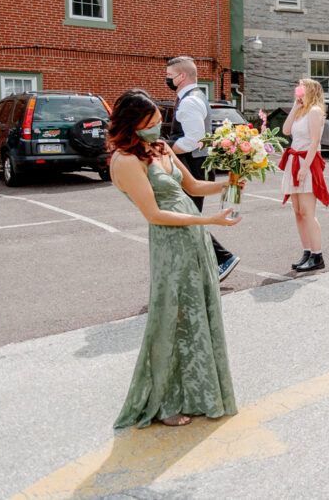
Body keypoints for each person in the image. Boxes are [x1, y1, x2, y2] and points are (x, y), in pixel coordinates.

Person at [107, 89, 239, 428]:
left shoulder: (161, 149)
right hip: (170, 244)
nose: (157, 128)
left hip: (193, 239)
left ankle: (199, 393)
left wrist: (231, 182)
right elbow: (154, 214)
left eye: (157, 122)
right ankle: (164, 402)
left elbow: (193, 187)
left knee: (199, 313)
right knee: (172, 320)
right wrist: (208, 221)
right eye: (149, 123)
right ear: (131, 125)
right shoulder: (125, 162)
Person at [165, 56, 239, 282]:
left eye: (169, 76)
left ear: (182, 76)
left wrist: (167, 150)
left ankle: (222, 258)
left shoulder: (189, 101)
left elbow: (194, 139)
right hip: (197, 163)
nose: (167, 79)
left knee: (187, 218)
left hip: (194, 164)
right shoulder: (194, 97)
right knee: (187, 217)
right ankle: (202, 266)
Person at [280, 79, 329, 272]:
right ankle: (307, 251)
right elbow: (285, 130)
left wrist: (304, 168)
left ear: (310, 90)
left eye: (301, 86)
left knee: (308, 212)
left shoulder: (316, 111)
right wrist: (295, 107)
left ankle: (318, 255)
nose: (298, 89)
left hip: (306, 162)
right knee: (298, 212)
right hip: (294, 160)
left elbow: (315, 141)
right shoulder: (301, 111)